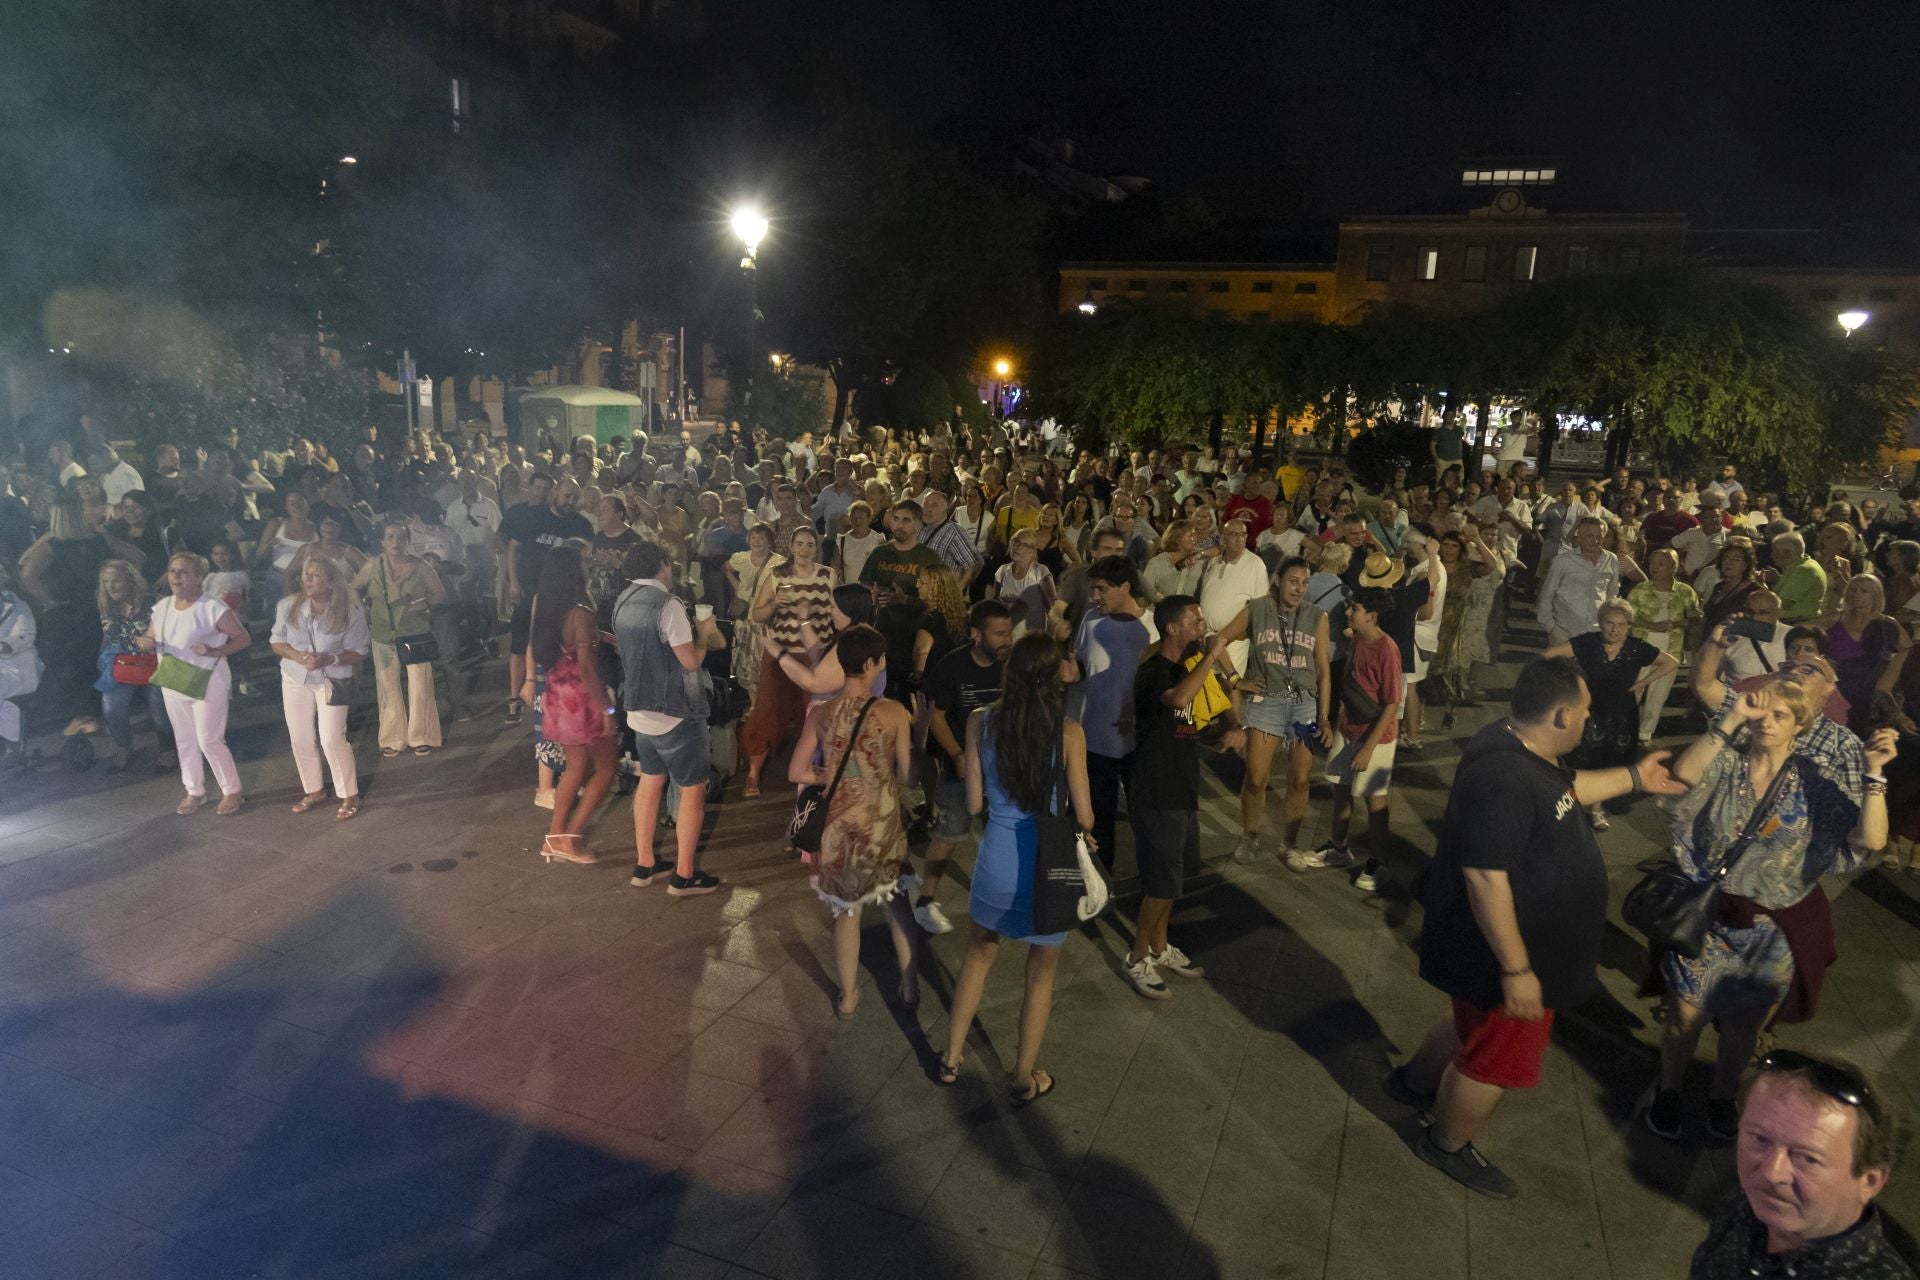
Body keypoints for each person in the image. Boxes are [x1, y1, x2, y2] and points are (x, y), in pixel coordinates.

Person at [1391, 656, 1683, 1198]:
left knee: (1466, 1024)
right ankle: (1446, 1143)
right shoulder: (1506, 779)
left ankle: (1412, 1083)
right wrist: (1518, 969)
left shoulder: (1515, 747)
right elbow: (1485, 877)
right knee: (1494, 1057)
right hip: (1510, 957)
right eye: (1585, 712)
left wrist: (1637, 777)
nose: (1589, 719)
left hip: (1486, 953)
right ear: (1559, 716)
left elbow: (1566, 792)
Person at [1647, 685, 1896, 1142]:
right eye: (1762, 711)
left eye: (1780, 715)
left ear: (1800, 726)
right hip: (1709, 919)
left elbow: (1872, 840)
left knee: (1743, 1029)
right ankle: (1668, 1087)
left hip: (1769, 932)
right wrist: (1730, 718)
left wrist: (1874, 773)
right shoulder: (1728, 760)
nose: (1767, 721)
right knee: (1684, 1018)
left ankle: (1722, 1095)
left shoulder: (1814, 782)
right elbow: (1682, 775)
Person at [936, 633, 1094, 1104]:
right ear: (1052, 677)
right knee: (1040, 973)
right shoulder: (1068, 732)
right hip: (1047, 867)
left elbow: (973, 800)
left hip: (996, 857)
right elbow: (1084, 815)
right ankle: (1024, 1075)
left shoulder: (980, 721)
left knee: (978, 956)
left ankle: (950, 1058)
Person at [1689, 1051, 1916, 1279]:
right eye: (1760, 1139)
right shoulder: (1743, 1207)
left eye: (1808, 1158)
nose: (1771, 1173)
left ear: (1869, 1182)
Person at [788, 624, 919, 1016]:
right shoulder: (893, 712)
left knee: (847, 912)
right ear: (869, 663)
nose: (883, 665)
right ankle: (910, 986)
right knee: (897, 907)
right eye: (880, 659)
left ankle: (847, 995)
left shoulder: (822, 714)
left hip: (839, 830)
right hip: (882, 827)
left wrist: (822, 776)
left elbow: (796, 771)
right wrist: (922, 730)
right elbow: (910, 777)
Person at [1121, 595, 1238, 999]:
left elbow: (1184, 726)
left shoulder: (1185, 668)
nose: (1202, 626)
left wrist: (1219, 733)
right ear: (1172, 627)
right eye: (1195, 620)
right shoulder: (1155, 672)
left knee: (1176, 879)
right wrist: (1212, 656)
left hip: (1183, 785)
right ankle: (1137, 958)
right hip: (1156, 790)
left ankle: (1160, 945)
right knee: (1159, 882)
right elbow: (1178, 700)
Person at [617, 539, 725, 896]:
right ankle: (684, 875)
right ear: (661, 564)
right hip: (675, 712)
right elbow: (690, 661)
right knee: (691, 791)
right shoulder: (668, 604)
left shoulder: (623, 600)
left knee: (650, 780)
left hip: (638, 712)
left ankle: (645, 863)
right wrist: (706, 636)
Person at [1212, 556, 1331, 865]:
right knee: (1255, 778)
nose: (1299, 589)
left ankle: (1289, 844)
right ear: (1278, 579)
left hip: (1304, 704)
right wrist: (1236, 681)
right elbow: (1218, 639)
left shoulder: (1317, 616)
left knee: (1301, 779)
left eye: (1305, 583)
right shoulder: (1258, 609)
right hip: (1266, 703)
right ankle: (1250, 835)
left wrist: (1324, 717)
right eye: (1293, 581)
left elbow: (1324, 671)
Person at [1288, 587, 1401, 890]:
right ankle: (1338, 847)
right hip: (1348, 727)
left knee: (1375, 800)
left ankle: (1379, 861)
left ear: (1372, 615)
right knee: (1340, 789)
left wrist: (1367, 747)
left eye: (1355, 609)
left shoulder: (1387, 649)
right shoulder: (1357, 641)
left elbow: (1392, 702)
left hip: (1376, 737)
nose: (1349, 612)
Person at [920, 599, 1015, 934]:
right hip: (962, 766)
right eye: (999, 633)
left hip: (1004, 768)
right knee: (949, 833)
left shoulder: (1012, 665)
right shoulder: (952, 666)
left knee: (1002, 835)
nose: (1007, 640)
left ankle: (999, 900)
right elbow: (937, 717)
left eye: (1009, 632)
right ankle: (925, 900)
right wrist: (958, 754)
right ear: (976, 634)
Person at [1540, 598, 1674, 829]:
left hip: (1622, 712)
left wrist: (1643, 683)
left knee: (1609, 760)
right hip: (1589, 708)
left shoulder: (1637, 647)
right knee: (1580, 756)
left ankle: (1596, 808)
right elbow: (1549, 655)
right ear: (1601, 623)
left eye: (1621, 624)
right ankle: (1567, 801)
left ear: (1628, 626)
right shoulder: (1587, 643)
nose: (1614, 629)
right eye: (1609, 623)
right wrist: (1569, 684)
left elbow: (1670, 662)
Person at [135, 552, 251, 814]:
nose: (175, 576)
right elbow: (149, 637)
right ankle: (194, 791)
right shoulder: (162, 606)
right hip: (173, 677)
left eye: (183, 571)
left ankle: (232, 790)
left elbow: (242, 639)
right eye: (172, 570)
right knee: (184, 738)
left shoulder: (212, 607)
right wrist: (145, 642)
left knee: (209, 739)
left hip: (208, 678)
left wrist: (213, 651)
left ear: (199, 577)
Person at [1074, 556, 1157, 872]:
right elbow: (1082, 666)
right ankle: (1100, 884)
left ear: (1125, 587)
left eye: (1102, 589)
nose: (1095, 597)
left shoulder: (1153, 627)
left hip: (1140, 744)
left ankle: (1153, 885)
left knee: (1146, 818)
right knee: (1099, 819)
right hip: (1094, 740)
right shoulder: (1090, 621)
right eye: (1093, 589)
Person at [269, 556, 368, 820]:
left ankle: (349, 794)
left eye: (315, 576)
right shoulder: (288, 605)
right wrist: (296, 656)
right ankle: (314, 791)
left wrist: (330, 659)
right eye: (306, 574)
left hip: (332, 678)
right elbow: (276, 641)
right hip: (295, 676)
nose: (307, 580)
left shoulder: (350, 612)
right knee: (300, 737)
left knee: (332, 738)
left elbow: (358, 652)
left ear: (331, 581)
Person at [17, 493, 124, 737]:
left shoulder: (52, 545)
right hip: (100, 606)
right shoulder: (100, 539)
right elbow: (137, 558)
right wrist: (120, 590)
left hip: (68, 611)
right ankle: (103, 715)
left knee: (74, 664)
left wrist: (49, 599)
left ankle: (83, 717)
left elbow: (26, 573)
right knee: (100, 660)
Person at [742, 524, 837, 796]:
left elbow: (837, 615)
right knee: (767, 710)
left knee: (815, 713)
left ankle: (814, 771)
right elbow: (756, 615)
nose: (804, 549)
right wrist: (774, 605)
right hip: (781, 655)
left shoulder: (828, 576)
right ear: (791, 547)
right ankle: (753, 774)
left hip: (816, 656)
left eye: (810, 544)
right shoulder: (777, 575)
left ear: (816, 548)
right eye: (800, 544)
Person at [502, 473, 591, 723]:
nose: (569, 501)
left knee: (557, 646)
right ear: (555, 495)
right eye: (566, 496)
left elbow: (587, 561)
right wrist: (514, 582)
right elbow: (513, 548)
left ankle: (552, 698)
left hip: (562, 599)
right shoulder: (533, 517)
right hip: (528, 590)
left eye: (574, 498)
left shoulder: (582, 526)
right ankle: (514, 698)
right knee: (520, 644)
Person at [353, 521, 445, 757]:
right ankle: (393, 738)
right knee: (387, 686)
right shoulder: (373, 566)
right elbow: (354, 588)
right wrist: (363, 611)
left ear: (408, 542)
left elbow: (438, 593)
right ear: (382, 542)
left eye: (401, 538)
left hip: (414, 633)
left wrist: (424, 605)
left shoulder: (421, 566)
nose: (396, 542)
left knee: (420, 685)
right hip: (383, 634)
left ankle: (421, 736)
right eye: (391, 537)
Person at [1816, 575, 1911, 736]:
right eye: (1853, 590)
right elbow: (1799, 631)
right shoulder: (1835, 618)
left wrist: (1890, 679)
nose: (1856, 594)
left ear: (1876, 596)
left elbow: (1909, 652)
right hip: (1837, 694)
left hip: (1871, 699)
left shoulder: (1887, 624)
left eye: (1864, 591)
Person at [93, 559, 163, 772]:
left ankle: (168, 748)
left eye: (116, 581)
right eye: (106, 581)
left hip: (154, 662)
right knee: (111, 707)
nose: (110, 586)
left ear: (130, 580)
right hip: (123, 663)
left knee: (159, 712)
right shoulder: (107, 605)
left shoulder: (154, 602)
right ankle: (124, 747)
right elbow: (108, 637)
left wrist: (155, 641)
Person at [1628, 547, 1704, 742]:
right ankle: (1625, 728)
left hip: (1671, 649)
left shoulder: (1685, 591)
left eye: (1661, 564)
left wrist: (1683, 622)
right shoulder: (1640, 589)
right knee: (1635, 689)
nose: (1655, 568)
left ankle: (1645, 733)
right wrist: (1651, 625)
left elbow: (1696, 614)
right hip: (1642, 647)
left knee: (1658, 694)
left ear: (1673, 567)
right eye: (1652, 563)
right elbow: (1628, 617)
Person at [1535, 516, 1621, 646]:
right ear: (1579, 536)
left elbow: (1611, 595)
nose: (1595, 541)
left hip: (1596, 633)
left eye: (1599, 536)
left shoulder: (1611, 559)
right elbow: (1546, 596)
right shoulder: (1563, 561)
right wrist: (1552, 628)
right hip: (1565, 633)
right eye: (1590, 536)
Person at [0, 562, 41, 755]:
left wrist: (6, 644)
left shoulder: (19, 607)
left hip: (17, 667)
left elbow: (24, 633)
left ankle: (13, 749)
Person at [1773, 532, 1828, 624]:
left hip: (1794, 624)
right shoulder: (1803, 565)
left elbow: (1782, 604)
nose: (1771, 555)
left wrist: (1758, 584)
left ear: (1787, 553)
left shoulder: (1804, 570)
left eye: (1774, 551)